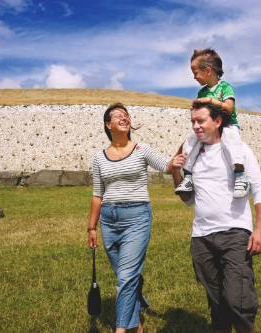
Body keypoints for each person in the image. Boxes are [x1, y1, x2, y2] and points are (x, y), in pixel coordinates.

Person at [172, 101, 261, 333]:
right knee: (216, 303)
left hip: (235, 233)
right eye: (193, 122)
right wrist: (176, 171)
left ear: (217, 122)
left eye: (201, 121)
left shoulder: (240, 151)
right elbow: (187, 200)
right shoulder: (193, 156)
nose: (195, 126)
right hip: (201, 237)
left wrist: (260, 229)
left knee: (239, 300)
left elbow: (259, 189)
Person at [87, 102, 184, 333]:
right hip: (109, 221)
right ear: (108, 124)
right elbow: (97, 194)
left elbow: (166, 166)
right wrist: (91, 227)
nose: (124, 117)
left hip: (137, 218)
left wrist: (181, 152)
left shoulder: (142, 149)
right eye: (117, 115)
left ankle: (120, 330)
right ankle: (137, 327)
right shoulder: (99, 158)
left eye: (126, 115)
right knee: (126, 277)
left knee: (126, 278)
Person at [175, 48, 250, 198]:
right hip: (210, 129)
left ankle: (240, 176)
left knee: (231, 140)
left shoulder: (225, 87)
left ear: (207, 70)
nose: (194, 77)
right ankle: (188, 177)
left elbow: (229, 108)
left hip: (227, 125)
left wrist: (211, 101)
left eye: (195, 73)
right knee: (190, 141)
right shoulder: (202, 92)